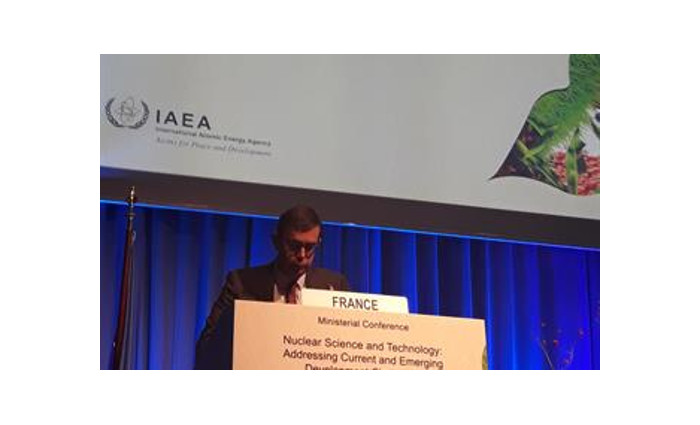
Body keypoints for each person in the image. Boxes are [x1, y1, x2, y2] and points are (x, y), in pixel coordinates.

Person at [194, 205, 350, 369]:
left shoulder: (334, 285)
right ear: (276, 241)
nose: (302, 255)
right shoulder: (240, 284)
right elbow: (207, 347)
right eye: (294, 246)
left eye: (310, 247)